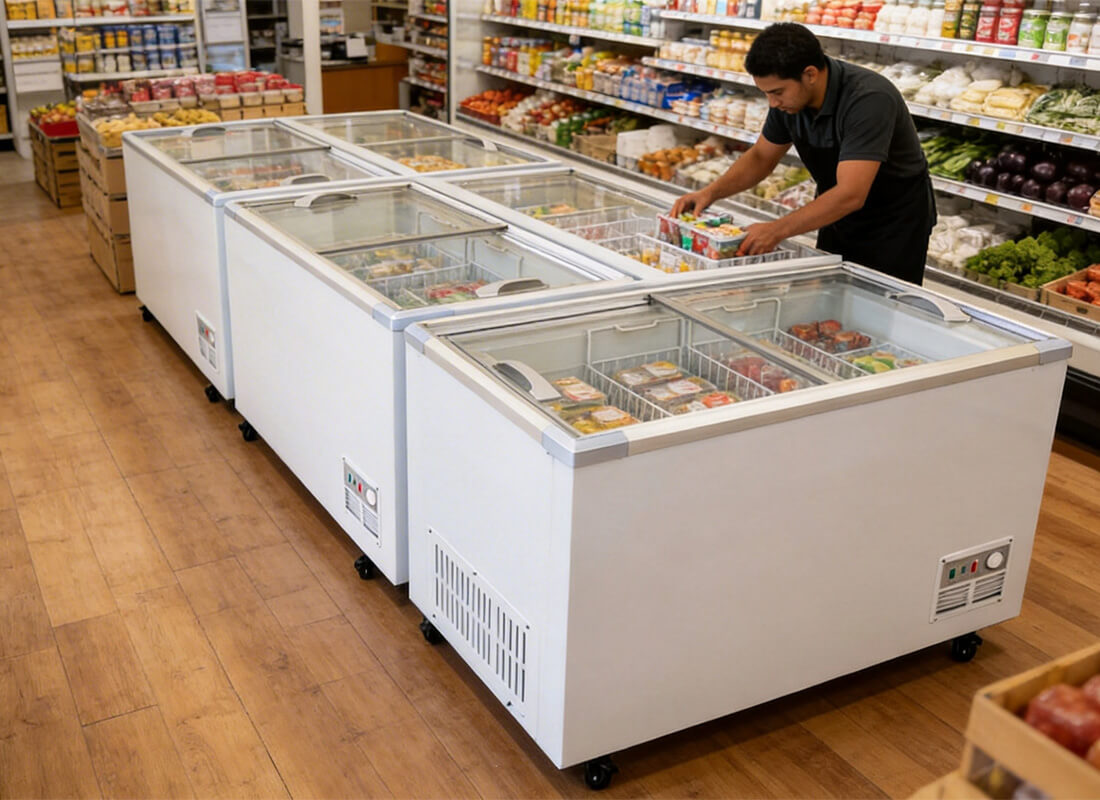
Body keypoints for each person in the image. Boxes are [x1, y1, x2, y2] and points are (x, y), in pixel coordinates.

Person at [672, 22, 936, 284]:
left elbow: (851, 193)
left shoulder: (869, 99)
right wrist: (709, 193)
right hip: (836, 213)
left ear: (810, 74)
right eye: (766, 94)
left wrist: (776, 230)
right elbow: (761, 157)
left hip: (894, 225)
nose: (772, 103)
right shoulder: (789, 102)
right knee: (832, 294)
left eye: (777, 92)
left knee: (884, 308)